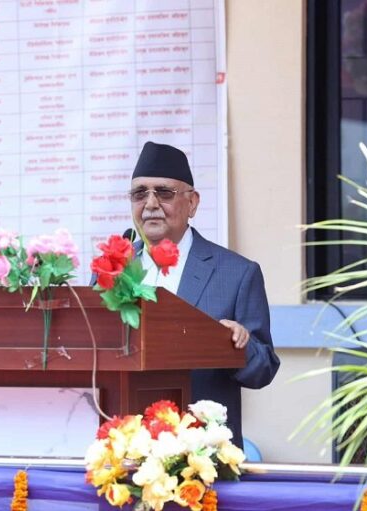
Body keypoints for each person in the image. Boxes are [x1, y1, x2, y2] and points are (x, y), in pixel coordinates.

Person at [129, 141, 280, 449]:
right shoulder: (112, 271)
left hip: (204, 457)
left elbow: (264, 370)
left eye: (165, 192)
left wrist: (238, 345)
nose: (151, 203)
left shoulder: (236, 273)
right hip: (126, 449)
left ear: (193, 203)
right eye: (139, 193)